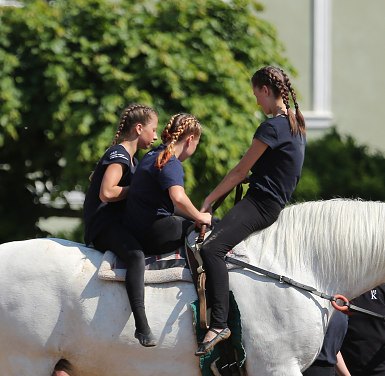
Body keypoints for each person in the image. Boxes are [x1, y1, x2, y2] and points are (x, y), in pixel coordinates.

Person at [196, 66, 306, 356]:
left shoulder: (271, 127)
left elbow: (239, 171)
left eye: (257, 95)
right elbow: (274, 170)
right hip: (270, 203)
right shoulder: (295, 125)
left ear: (266, 91)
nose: (257, 102)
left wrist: (207, 201)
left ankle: (219, 322)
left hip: (260, 203)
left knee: (211, 249)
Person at [83, 104, 160, 347]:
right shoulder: (119, 154)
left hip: (118, 222)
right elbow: (107, 192)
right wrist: (138, 191)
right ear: (139, 128)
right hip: (104, 225)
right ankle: (141, 325)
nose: (156, 136)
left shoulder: (132, 159)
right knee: (136, 256)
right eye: (153, 129)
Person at [124, 113, 212, 254]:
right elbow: (178, 197)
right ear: (190, 140)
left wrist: (195, 215)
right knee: (211, 237)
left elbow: (168, 206)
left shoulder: (151, 155)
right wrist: (200, 217)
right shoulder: (170, 161)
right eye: (196, 144)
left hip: (135, 232)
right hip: (155, 234)